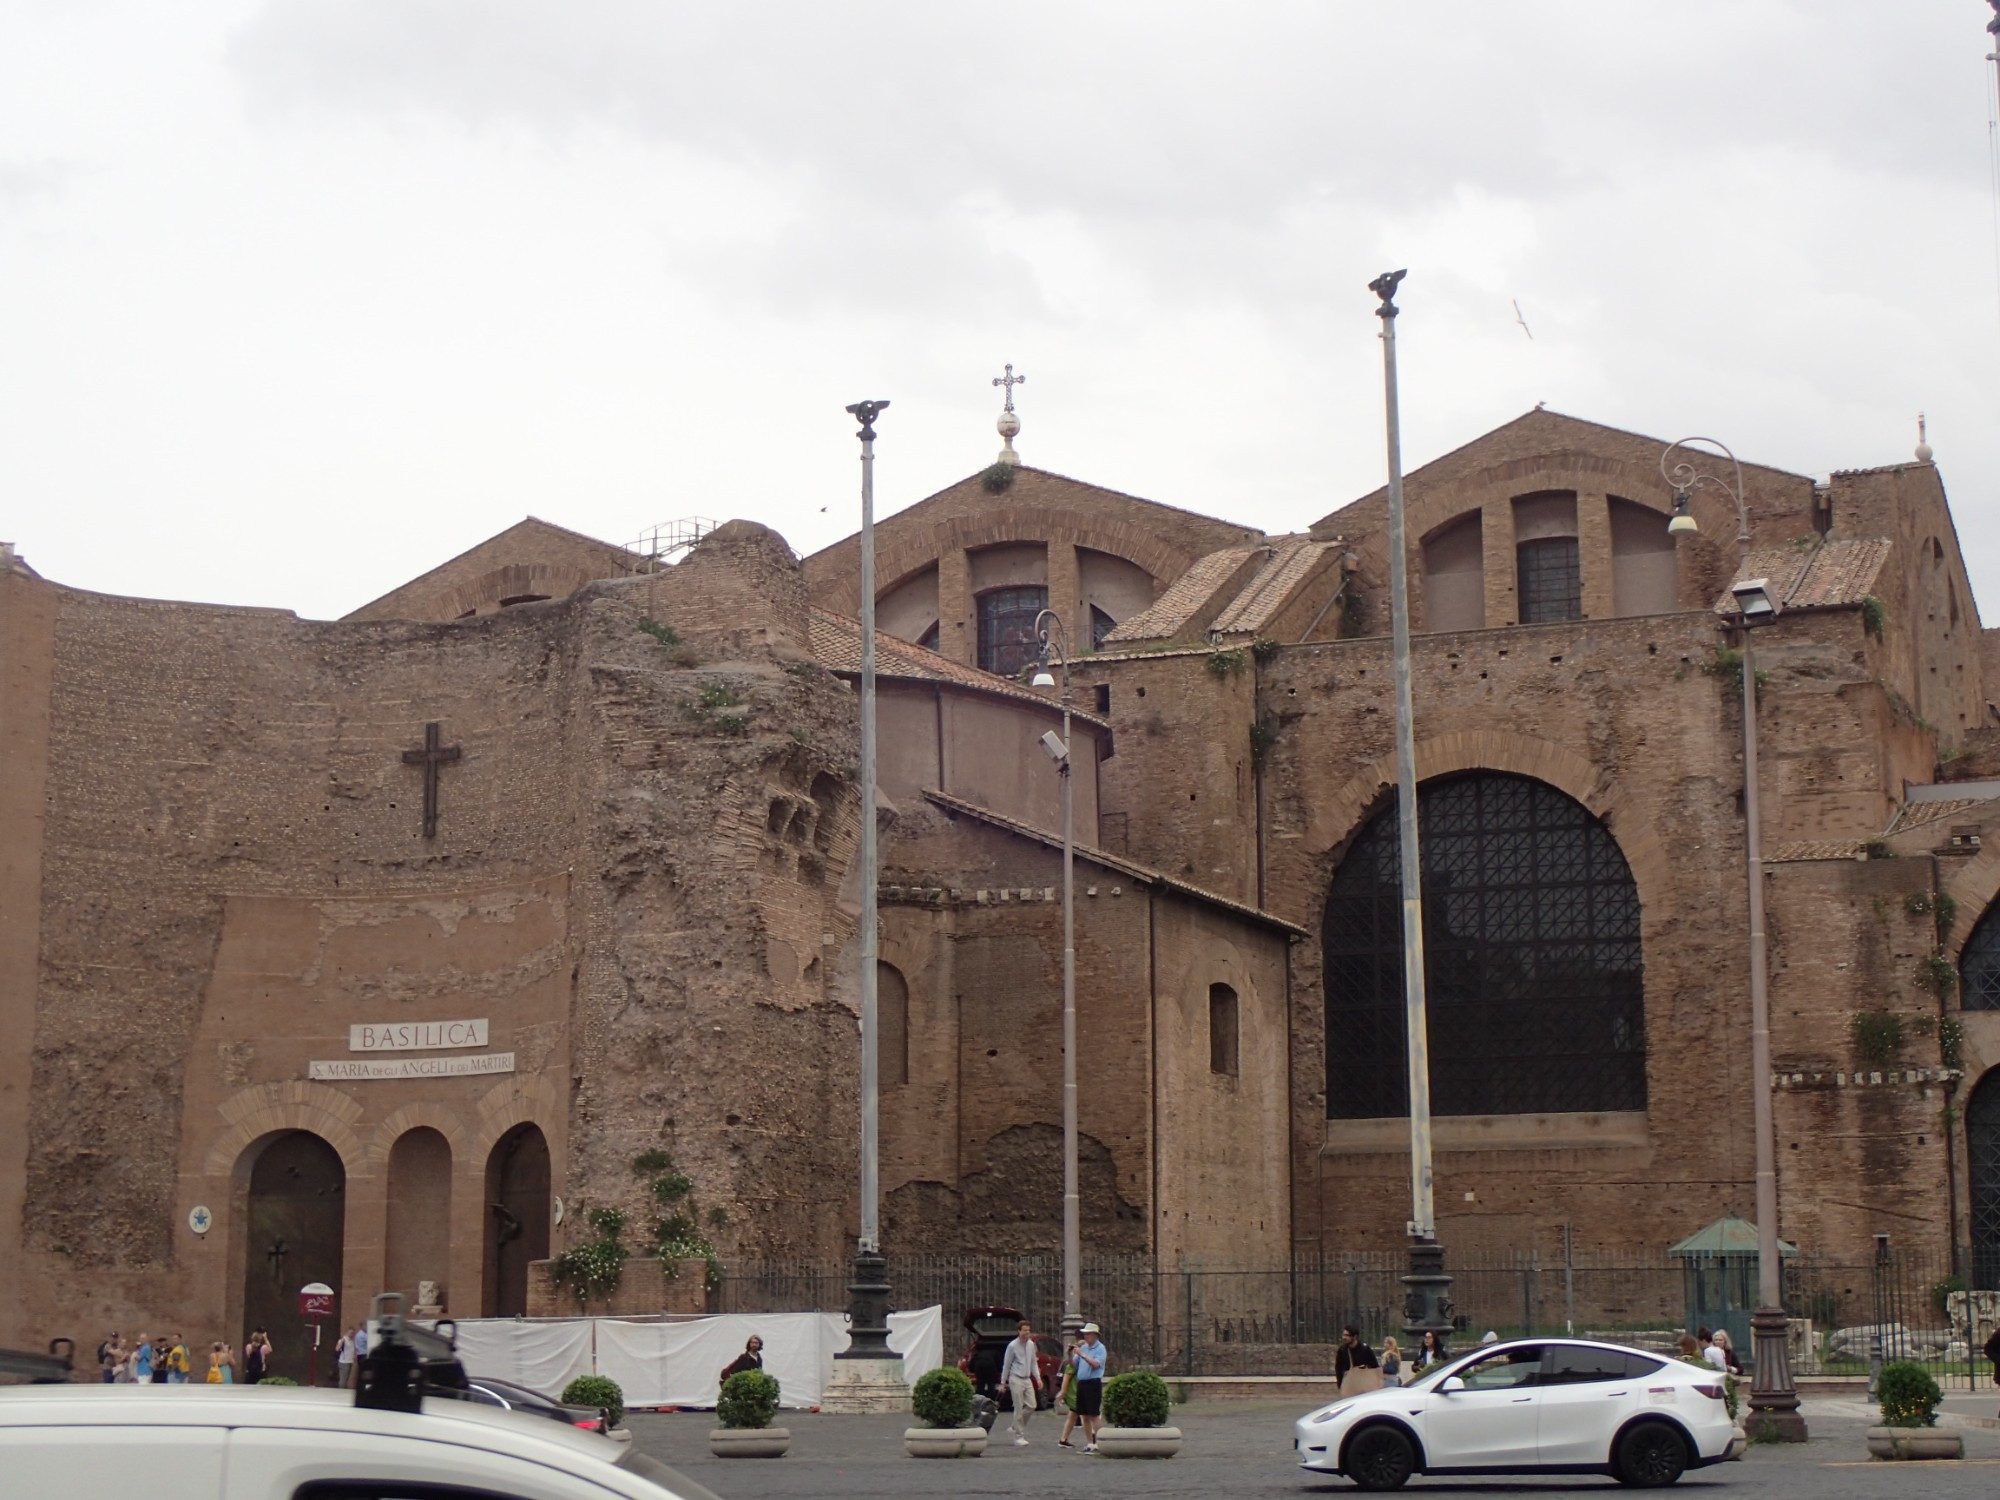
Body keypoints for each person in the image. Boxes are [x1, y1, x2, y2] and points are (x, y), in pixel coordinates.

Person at [1000, 1319, 1043, 1445]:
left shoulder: (1031, 1344)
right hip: (1015, 1378)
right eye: (1024, 1330)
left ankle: (1015, 1425)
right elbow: (1006, 1365)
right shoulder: (1012, 1346)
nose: (1027, 1333)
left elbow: (1033, 1362)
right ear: (1019, 1331)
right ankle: (1019, 1436)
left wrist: (1038, 1377)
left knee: (1032, 1405)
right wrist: (1003, 1382)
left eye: (1028, 1330)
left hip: (1027, 1378)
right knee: (1018, 1408)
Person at [1072, 1322, 1107, 1453]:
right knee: (1084, 1415)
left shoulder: (1100, 1349)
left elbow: (1096, 1364)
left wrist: (1082, 1355)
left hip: (1093, 1383)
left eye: (1087, 1334)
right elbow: (1074, 1365)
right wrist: (1071, 1355)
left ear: (1094, 1335)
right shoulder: (1084, 1348)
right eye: (1084, 1334)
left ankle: (1099, 1442)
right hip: (1082, 1383)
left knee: (1094, 1414)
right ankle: (1089, 1443)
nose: (1085, 1336)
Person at [1335, 1325, 1379, 1395]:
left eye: (1347, 1335)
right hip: (1348, 1386)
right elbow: (1338, 1368)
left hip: (1364, 1386)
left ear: (1355, 1337)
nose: (1344, 1337)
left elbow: (1375, 1367)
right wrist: (1340, 1385)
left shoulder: (1365, 1349)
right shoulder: (1342, 1350)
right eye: (1343, 1335)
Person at [1056, 1339, 1081, 1449]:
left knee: (1072, 1416)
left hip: (1076, 1393)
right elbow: (1066, 1378)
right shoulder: (1073, 1363)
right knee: (1088, 1417)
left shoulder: (1076, 1361)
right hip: (1075, 1393)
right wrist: (1063, 1392)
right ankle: (1094, 1440)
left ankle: (1063, 1439)